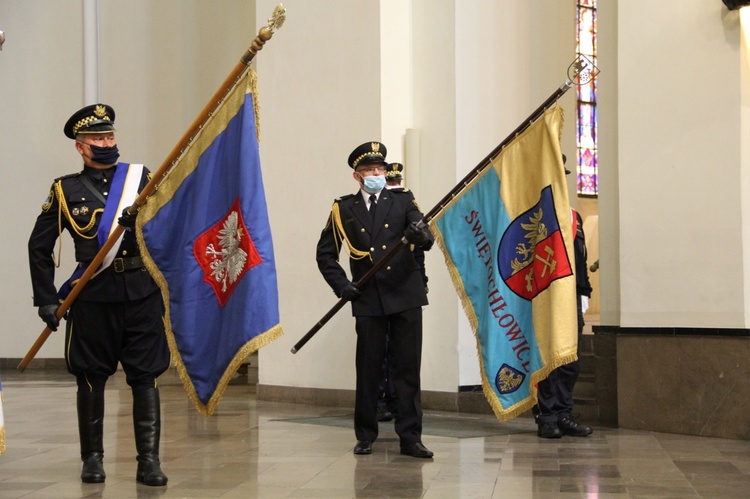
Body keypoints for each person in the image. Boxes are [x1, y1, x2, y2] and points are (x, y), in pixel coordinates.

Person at [27, 104, 170, 485]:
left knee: (146, 376)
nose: (106, 143)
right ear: (81, 147)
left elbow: (170, 225)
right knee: (90, 376)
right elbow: (39, 246)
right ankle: (92, 458)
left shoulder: (141, 180)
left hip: (141, 293)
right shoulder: (65, 189)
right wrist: (46, 299)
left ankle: (149, 461)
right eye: (96, 139)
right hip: (92, 298)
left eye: (109, 137)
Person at [316, 142, 435, 458]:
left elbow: (427, 239)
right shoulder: (343, 209)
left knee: (407, 369)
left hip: (405, 295)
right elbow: (326, 255)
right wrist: (342, 285)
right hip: (368, 299)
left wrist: (420, 233)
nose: (376, 175)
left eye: (380, 169)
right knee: (368, 369)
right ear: (357, 176)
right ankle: (365, 434)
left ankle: (411, 438)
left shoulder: (403, 201)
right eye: (369, 170)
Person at [534, 154, 594, 439]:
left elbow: (580, 260)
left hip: (571, 297)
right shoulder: (534, 215)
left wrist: (584, 292)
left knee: (571, 360)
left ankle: (564, 413)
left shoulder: (573, 216)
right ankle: (546, 416)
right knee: (550, 359)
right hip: (544, 298)